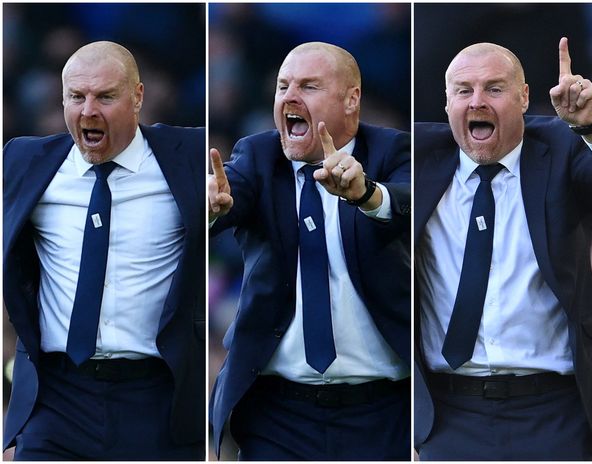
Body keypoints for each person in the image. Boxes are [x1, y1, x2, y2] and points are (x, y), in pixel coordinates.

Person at [413, 39, 592, 460]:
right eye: (464, 90)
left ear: (524, 97)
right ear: (446, 101)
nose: (477, 101)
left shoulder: (562, 148)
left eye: (494, 88)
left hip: (554, 410)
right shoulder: (418, 156)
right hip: (447, 413)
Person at [208, 41, 410, 460]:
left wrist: (367, 195)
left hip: (383, 413)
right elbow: (230, 194)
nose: (290, 97)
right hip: (277, 414)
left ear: (351, 99)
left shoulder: (391, 151)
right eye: (283, 86)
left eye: (309, 86)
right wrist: (209, 206)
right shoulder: (258, 156)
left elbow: (409, 203)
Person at [3, 41, 205, 460]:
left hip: (156, 400)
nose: (88, 110)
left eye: (105, 97)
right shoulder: (23, 160)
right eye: (76, 96)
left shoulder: (189, 157)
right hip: (56, 397)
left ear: (138, 97)